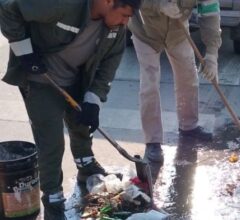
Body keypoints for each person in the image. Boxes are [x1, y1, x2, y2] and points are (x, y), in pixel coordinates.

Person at [0, 0, 140, 219]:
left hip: (76, 78)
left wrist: (93, 99)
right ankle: (53, 197)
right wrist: (24, 51)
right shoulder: (64, 4)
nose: (125, 22)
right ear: (108, 1)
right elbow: (8, 7)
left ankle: (86, 165)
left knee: (82, 123)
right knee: (51, 141)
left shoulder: (116, 30)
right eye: (124, 15)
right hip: (40, 80)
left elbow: (108, 66)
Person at [128, 0, 222, 163]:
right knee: (150, 83)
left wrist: (212, 54)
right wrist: (159, 5)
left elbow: (210, 13)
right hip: (145, 32)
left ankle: (189, 126)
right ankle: (153, 141)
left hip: (178, 31)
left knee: (188, 77)